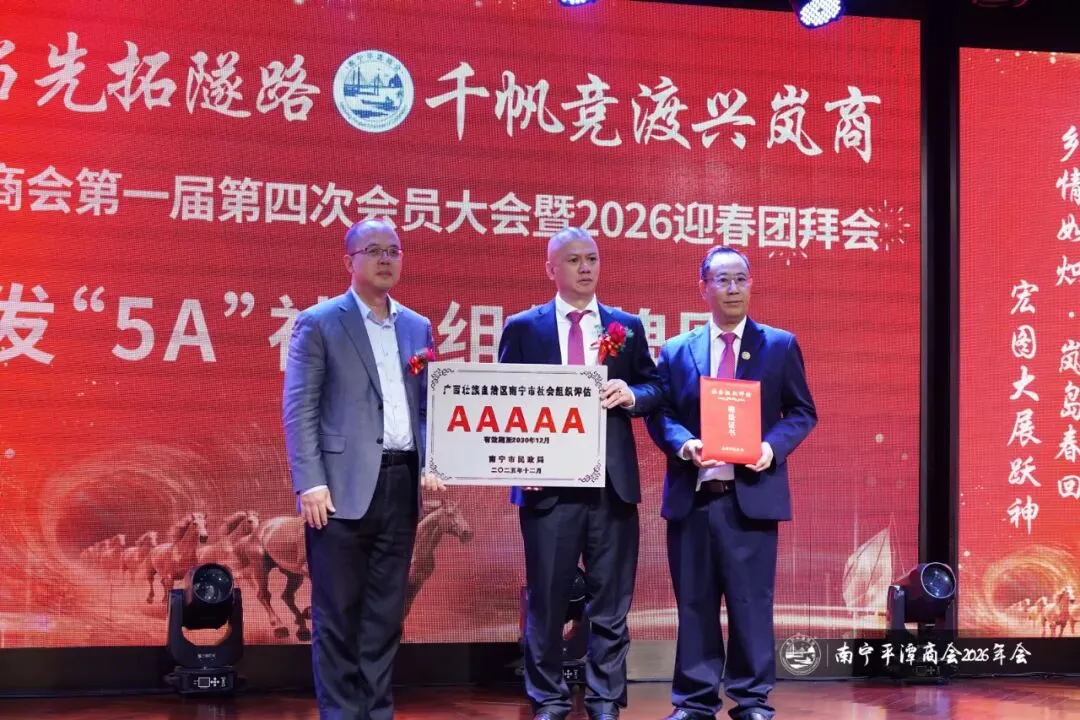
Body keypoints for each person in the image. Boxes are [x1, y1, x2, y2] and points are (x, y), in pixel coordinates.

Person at [645, 246, 817, 720]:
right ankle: (694, 701)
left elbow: (801, 412)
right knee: (694, 604)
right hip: (694, 498)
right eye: (722, 280)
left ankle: (752, 700)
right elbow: (660, 414)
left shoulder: (778, 345)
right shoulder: (676, 350)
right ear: (703, 288)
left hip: (751, 500)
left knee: (750, 605)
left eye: (741, 278)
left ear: (751, 284)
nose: (733, 288)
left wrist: (770, 448)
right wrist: (685, 445)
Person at [499, 227, 661, 720]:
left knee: (610, 602)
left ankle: (604, 698)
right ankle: (548, 697)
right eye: (573, 260)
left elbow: (654, 386)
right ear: (551, 268)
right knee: (548, 601)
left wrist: (632, 395)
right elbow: (502, 402)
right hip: (547, 487)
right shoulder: (524, 328)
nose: (585, 267)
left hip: (611, 486)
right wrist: (518, 464)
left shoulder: (625, 326)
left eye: (592, 258)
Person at [282, 218, 433, 720]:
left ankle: (377, 710)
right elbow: (300, 408)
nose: (386, 259)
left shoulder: (417, 326)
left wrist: (432, 459)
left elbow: (427, 407)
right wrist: (310, 481)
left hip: (401, 482)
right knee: (338, 612)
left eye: (394, 250)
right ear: (348, 261)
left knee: (386, 612)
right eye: (374, 250)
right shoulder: (320, 322)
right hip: (339, 488)